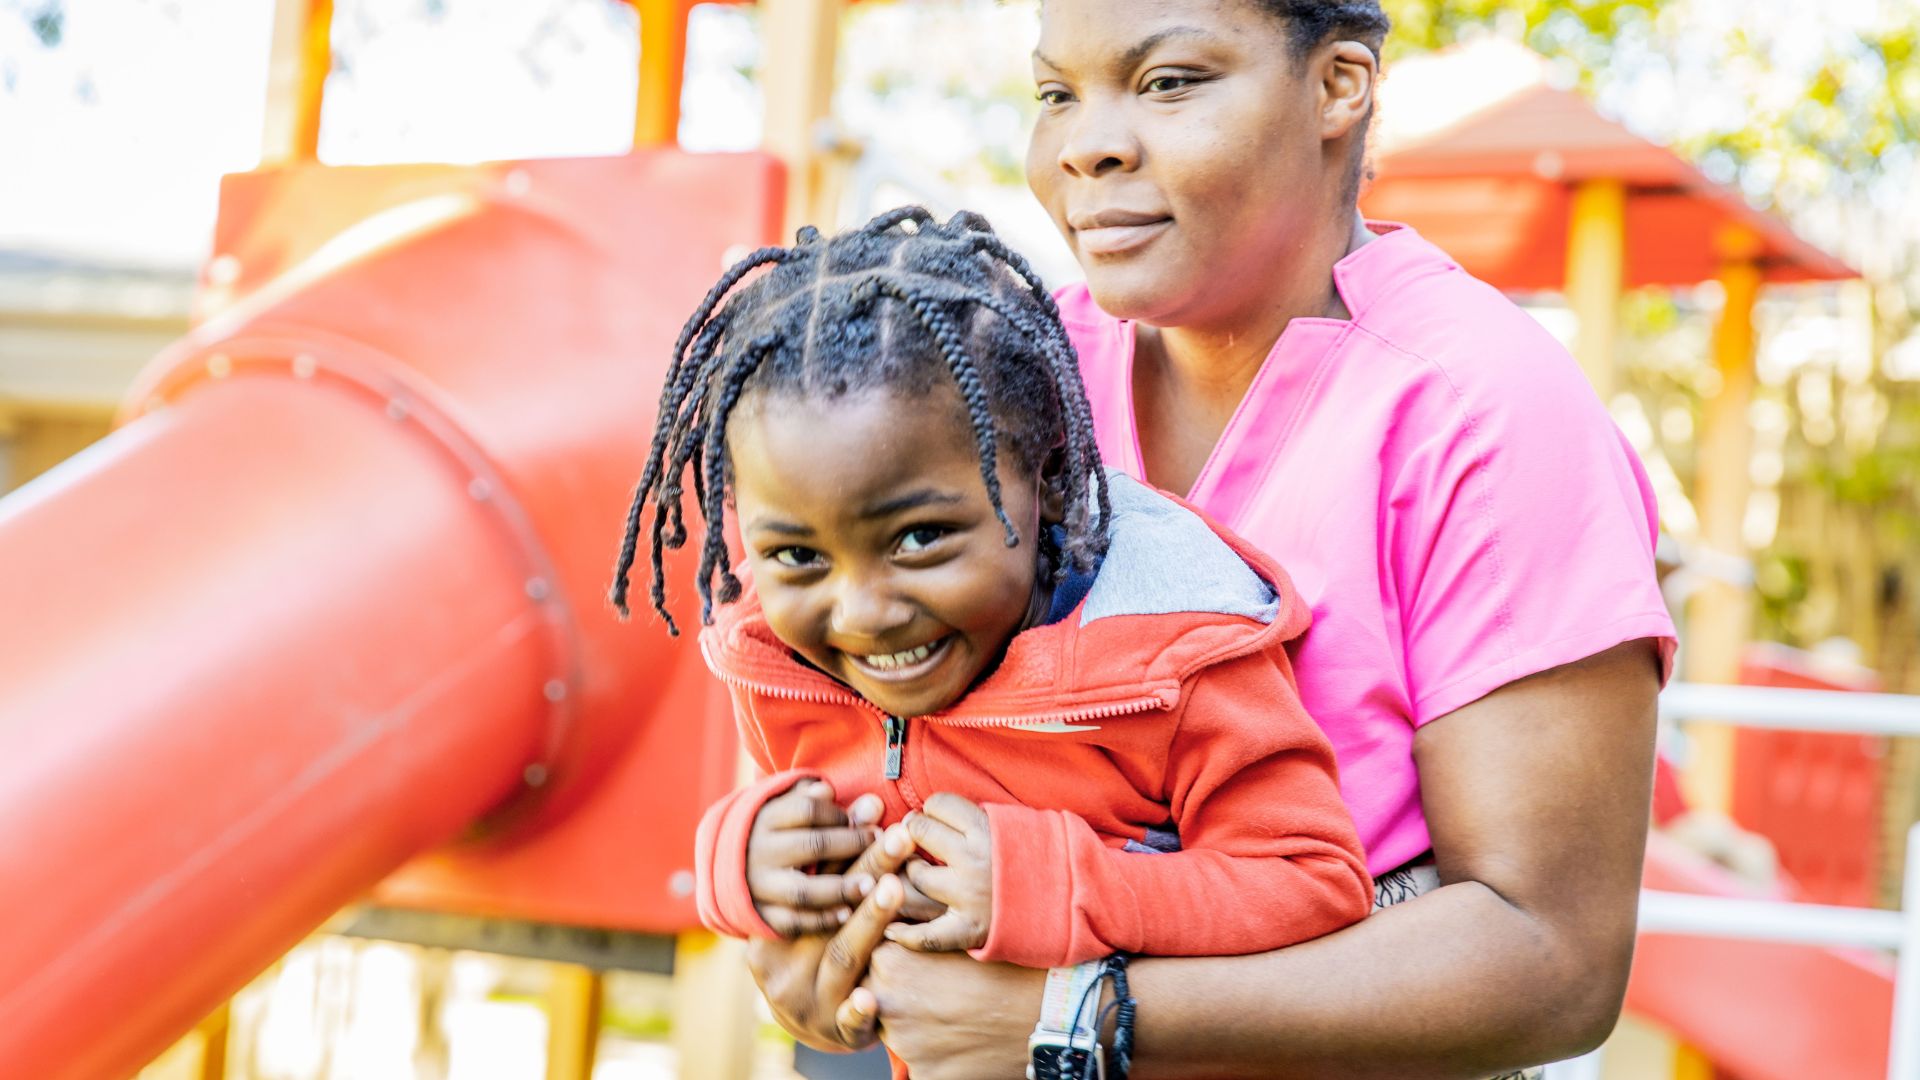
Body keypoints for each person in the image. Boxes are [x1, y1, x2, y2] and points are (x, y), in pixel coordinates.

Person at [740, 2, 1678, 1078]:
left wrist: (1080, 1020)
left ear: (1338, 86)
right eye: (1057, 94)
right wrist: (821, 951)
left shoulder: (1485, 414)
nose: (1086, 143)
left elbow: (1551, 957)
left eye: (1170, 81)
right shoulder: (996, 382)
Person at [609, 208, 1373, 1068]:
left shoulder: (1176, 651)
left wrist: (1053, 884)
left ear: (1045, 478)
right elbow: (806, 830)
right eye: (795, 554)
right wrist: (745, 862)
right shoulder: (781, 655)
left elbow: (1312, 881)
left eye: (918, 539)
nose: (862, 613)